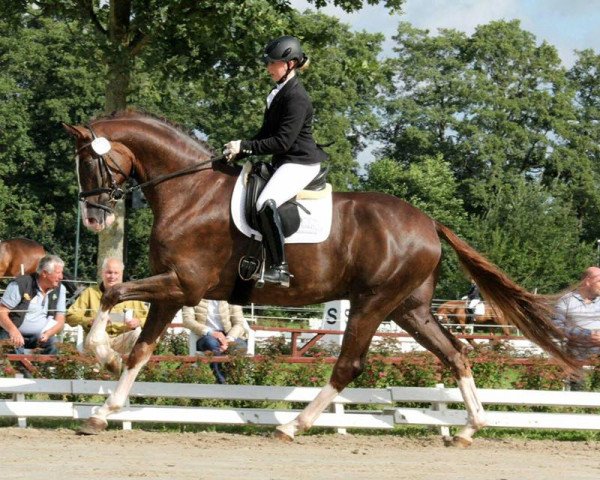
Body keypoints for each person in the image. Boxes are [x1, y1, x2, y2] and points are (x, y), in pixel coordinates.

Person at [222, 35, 328, 288]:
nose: (269, 67)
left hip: (299, 163)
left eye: (273, 63)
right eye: (269, 63)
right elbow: (266, 133)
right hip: (286, 159)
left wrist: (247, 146)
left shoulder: (297, 97)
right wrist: (241, 149)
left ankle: (279, 267)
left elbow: (282, 142)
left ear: (290, 64)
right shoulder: (279, 91)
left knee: (264, 202)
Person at [66, 257, 148, 355]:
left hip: (122, 338)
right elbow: (70, 316)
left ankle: (129, 368)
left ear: (121, 274)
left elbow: (149, 317)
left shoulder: (131, 294)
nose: (112, 276)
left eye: (116, 273)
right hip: (98, 340)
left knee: (137, 333)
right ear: (102, 273)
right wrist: (89, 321)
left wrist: (138, 322)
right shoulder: (90, 293)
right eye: (109, 272)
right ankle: (107, 367)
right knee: (98, 335)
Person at [0, 255, 67, 357]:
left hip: (40, 337)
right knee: (13, 350)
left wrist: (48, 333)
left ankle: (45, 372)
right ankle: (19, 372)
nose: (61, 277)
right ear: (44, 273)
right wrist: (13, 331)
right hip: (12, 333)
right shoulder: (20, 284)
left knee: (54, 344)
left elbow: (60, 319)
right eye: (58, 273)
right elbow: (2, 311)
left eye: (61, 273)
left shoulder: (60, 289)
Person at [553, 266, 600, 390]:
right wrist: (586, 334)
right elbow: (556, 326)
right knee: (578, 389)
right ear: (587, 281)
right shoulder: (566, 301)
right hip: (575, 356)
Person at [182, 299, 248, 384]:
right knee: (212, 344)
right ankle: (221, 381)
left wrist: (228, 339)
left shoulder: (231, 296)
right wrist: (210, 332)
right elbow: (188, 321)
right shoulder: (194, 296)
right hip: (205, 335)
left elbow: (239, 323)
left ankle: (236, 381)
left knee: (240, 347)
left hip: (229, 334)